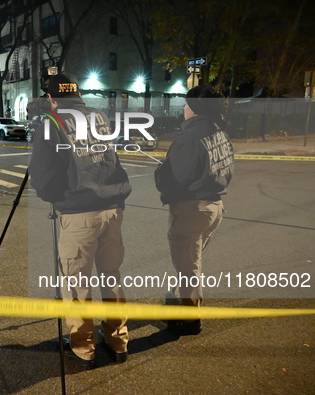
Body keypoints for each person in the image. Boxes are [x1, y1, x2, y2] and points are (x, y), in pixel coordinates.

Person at [29, 72, 132, 369]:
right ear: (77, 93)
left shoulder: (52, 123)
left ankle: (83, 345)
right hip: (112, 208)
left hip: (79, 213)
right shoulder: (99, 116)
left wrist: (54, 196)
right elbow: (109, 159)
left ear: (50, 98)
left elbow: (43, 177)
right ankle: (118, 339)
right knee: (111, 275)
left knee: (76, 284)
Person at [154, 85, 234, 336]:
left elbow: (171, 181)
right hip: (214, 207)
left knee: (188, 267)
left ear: (196, 109)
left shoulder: (189, 140)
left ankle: (189, 318)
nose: (184, 108)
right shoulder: (219, 132)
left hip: (192, 210)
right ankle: (187, 302)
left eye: (187, 104)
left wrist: (163, 170)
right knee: (193, 261)